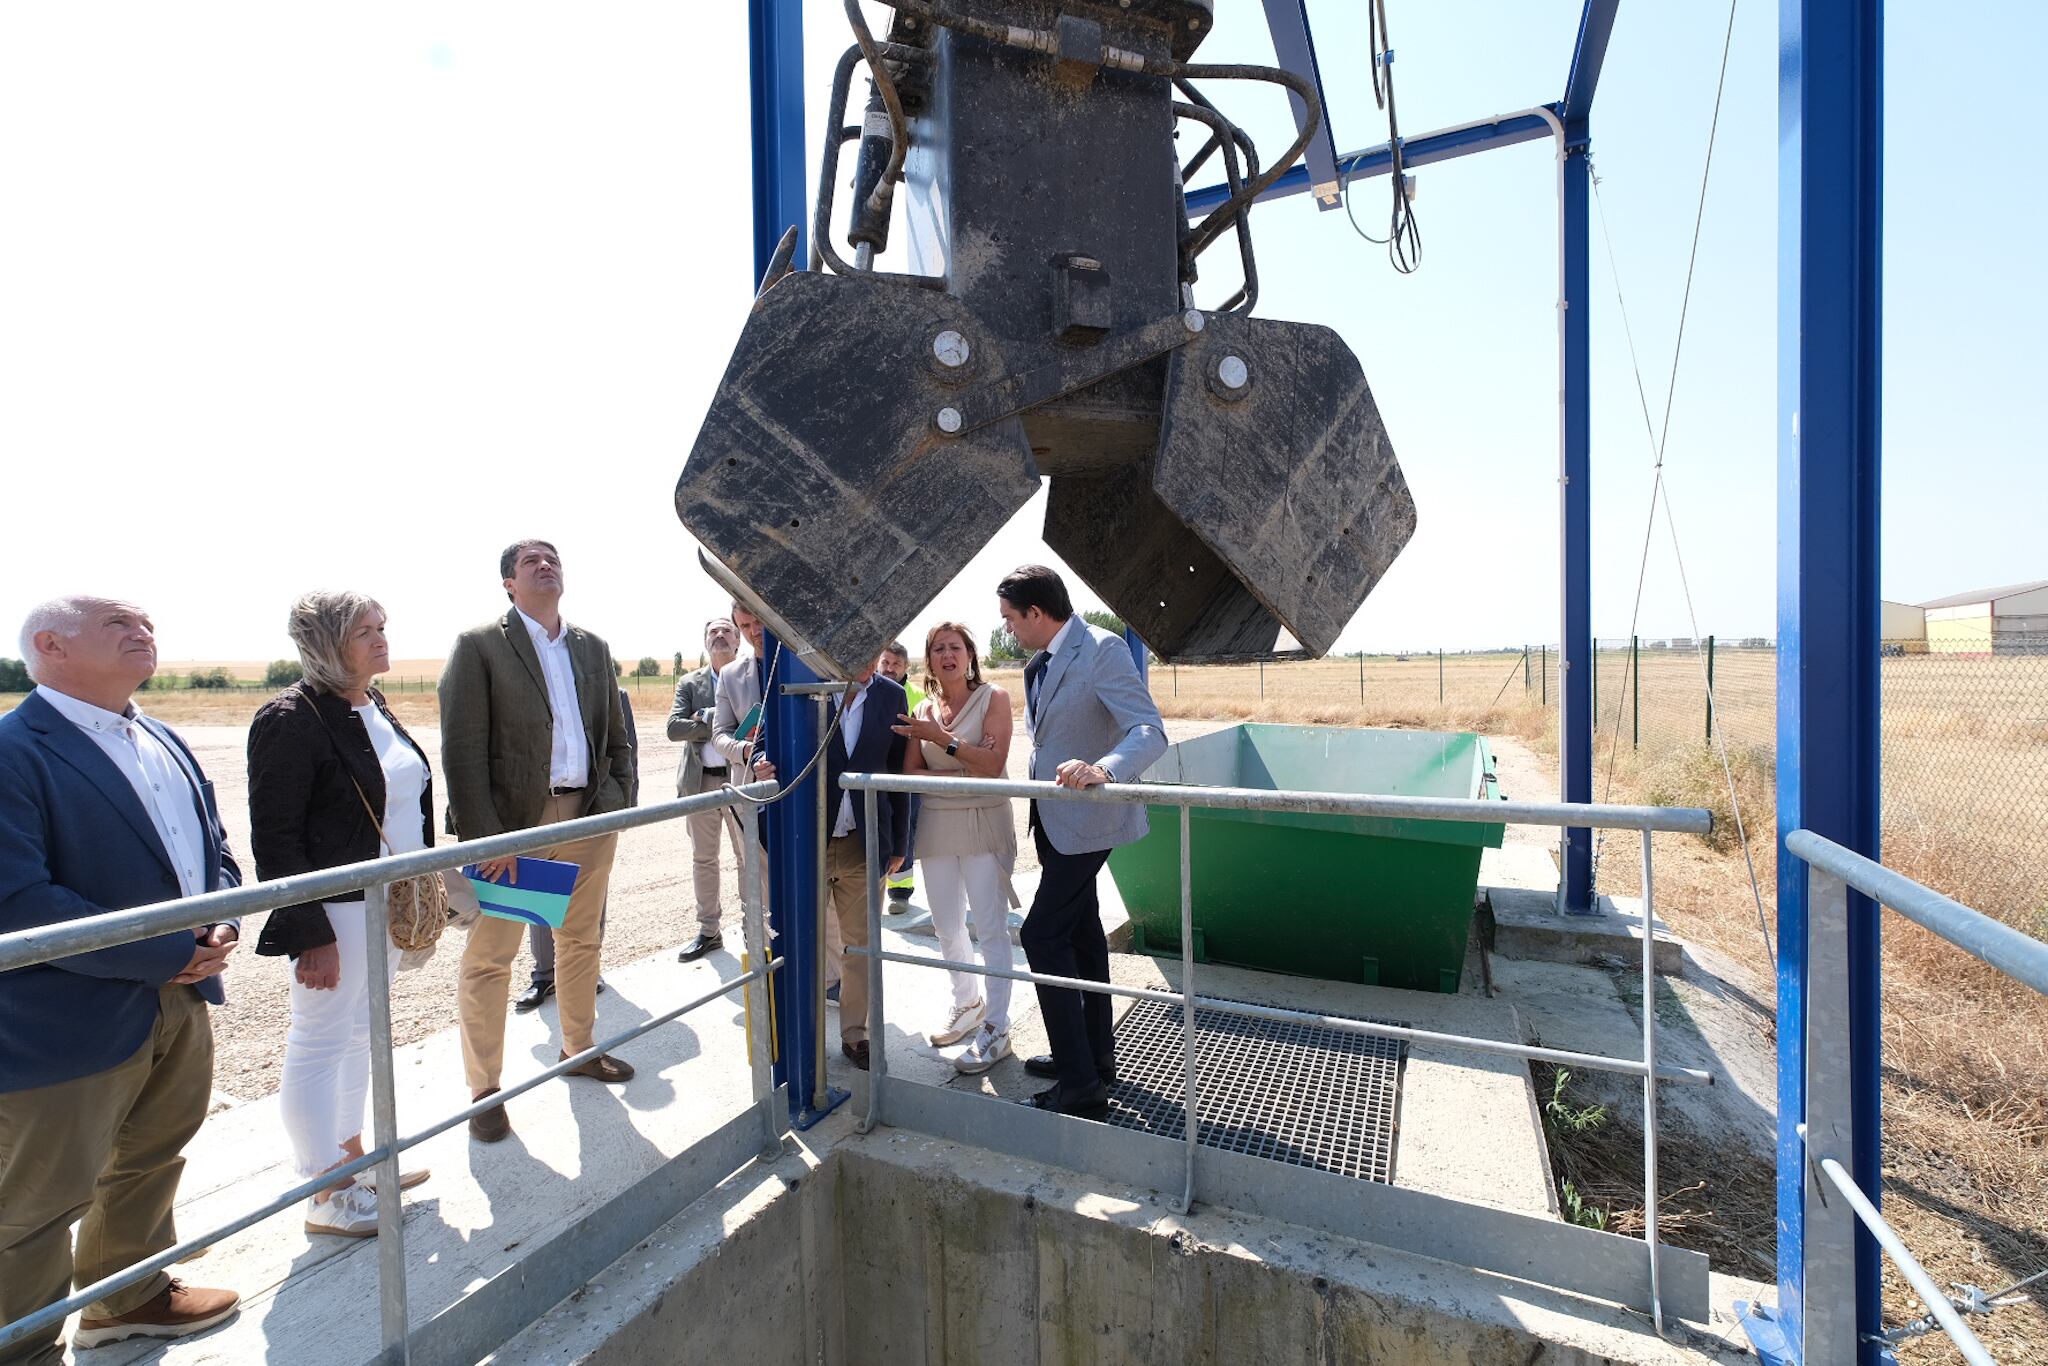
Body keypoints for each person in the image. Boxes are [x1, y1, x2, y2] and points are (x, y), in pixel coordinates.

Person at [0, 598, 242, 1359]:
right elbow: (19, 902)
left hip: (178, 997)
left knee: (151, 1154)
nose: (145, 632)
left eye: (146, 624)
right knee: (39, 1203)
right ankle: (24, 1348)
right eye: (119, 625)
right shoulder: (14, 751)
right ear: (50, 646)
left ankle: (125, 1295)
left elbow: (213, 848)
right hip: (65, 1017)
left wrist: (225, 920)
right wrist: (169, 952)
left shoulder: (158, 734)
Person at [247, 591, 435, 1238]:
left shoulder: (372, 706)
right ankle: (325, 1191)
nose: (381, 640)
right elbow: (276, 838)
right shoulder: (291, 718)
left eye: (382, 627)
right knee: (322, 1038)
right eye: (364, 632)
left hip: (387, 901)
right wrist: (307, 931)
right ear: (326, 643)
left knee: (361, 1034)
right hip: (338, 909)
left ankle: (355, 1160)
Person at [439, 539, 637, 1145]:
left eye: (553, 558)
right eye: (532, 561)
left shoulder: (592, 647)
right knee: (492, 960)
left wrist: (613, 807)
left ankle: (578, 1050)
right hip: (517, 831)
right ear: (508, 582)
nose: (546, 566)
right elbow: (462, 751)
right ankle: (485, 1091)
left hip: (585, 820)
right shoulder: (480, 647)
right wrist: (487, 839)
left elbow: (617, 736)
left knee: (580, 941)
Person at [997, 566, 1166, 1118]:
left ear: (1038, 615)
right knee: (1085, 936)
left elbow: (1148, 728)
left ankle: (1079, 1084)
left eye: (1011, 619)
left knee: (1043, 935)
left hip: (1091, 822)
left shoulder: (1101, 649)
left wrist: (1105, 769)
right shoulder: (1040, 663)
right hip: (1055, 822)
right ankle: (1095, 1057)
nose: (1009, 629)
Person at [891, 623, 1018, 1074]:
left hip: (985, 822)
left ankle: (998, 1027)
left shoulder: (993, 698)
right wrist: (967, 762)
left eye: (955, 647)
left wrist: (943, 743)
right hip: (938, 825)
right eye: (938, 648)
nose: (948, 655)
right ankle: (968, 1005)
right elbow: (910, 775)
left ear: (970, 655)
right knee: (947, 924)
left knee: (990, 925)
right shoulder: (923, 709)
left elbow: (994, 764)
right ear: (930, 659)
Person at [713, 602, 846, 998]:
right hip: (754, 798)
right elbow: (720, 733)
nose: (756, 630)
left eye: (760, 621)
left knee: (822, 887)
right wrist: (747, 754)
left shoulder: (809, 664)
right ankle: (773, 969)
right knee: (764, 890)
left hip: (810, 790)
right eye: (746, 625)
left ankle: (832, 977)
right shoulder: (731, 676)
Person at [516, 682, 630, 1010]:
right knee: (538, 890)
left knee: (592, 894)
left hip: (591, 808)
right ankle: (544, 974)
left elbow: (625, 750)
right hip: (538, 807)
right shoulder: (530, 688)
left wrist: (622, 810)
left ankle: (588, 969)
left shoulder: (613, 693)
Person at [819, 661, 910, 1070]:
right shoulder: (806, 687)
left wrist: (899, 841)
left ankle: (855, 1036)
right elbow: (770, 743)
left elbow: (897, 773)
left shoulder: (892, 695)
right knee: (801, 943)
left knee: (861, 946)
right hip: (810, 842)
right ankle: (799, 1037)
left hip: (865, 842)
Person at [669, 618, 745, 962]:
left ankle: (754, 927)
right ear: (705, 642)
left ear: (738, 640)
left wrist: (706, 716)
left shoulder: (747, 678)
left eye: (726, 631)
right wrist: (722, 724)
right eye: (712, 632)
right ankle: (709, 931)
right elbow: (674, 728)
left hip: (740, 781)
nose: (719, 636)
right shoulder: (689, 682)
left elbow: (753, 727)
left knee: (748, 859)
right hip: (701, 783)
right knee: (704, 859)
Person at [875, 642, 922, 909]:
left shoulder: (917, 694)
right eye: (886, 663)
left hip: (905, 772)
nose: (890, 668)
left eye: (896, 664)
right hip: (877, 769)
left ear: (906, 667)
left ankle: (901, 890)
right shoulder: (866, 691)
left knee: (906, 826)